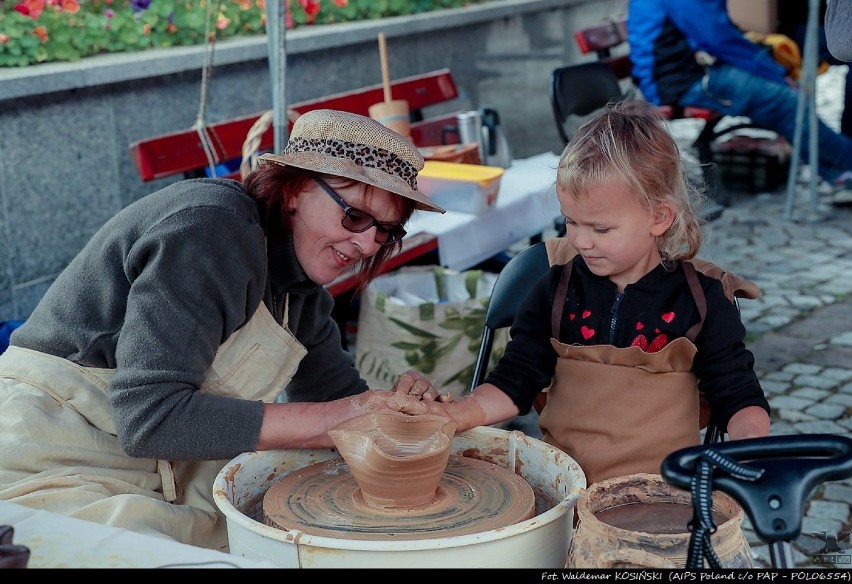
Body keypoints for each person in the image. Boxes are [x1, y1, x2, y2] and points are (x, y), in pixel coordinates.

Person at [0, 108, 447, 550]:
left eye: (386, 231)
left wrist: (396, 407)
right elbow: (149, 419)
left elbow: (338, 400)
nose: (368, 242)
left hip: (160, 470)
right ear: (294, 190)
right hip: (50, 449)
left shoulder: (303, 295)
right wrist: (337, 418)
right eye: (355, 216)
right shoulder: (211, 230)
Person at [412, 100, 771, 486]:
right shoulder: (555, 288)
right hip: (563, 486)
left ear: (659, 217)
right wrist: (456, 414)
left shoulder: (701, 299)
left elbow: (737, 393)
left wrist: (753, 451)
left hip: (661, 494)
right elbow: (515, 381)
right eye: (571, 222)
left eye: (601, 229)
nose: (582, 241)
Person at [628, 0, 852, 206]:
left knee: (783, 92)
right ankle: (846, 164)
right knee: (784, 99)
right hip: (678, 81)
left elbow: (719, 33)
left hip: (691, 71)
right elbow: (716, 36)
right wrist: (772, 71)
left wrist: (769, 68)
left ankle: (841, 172)